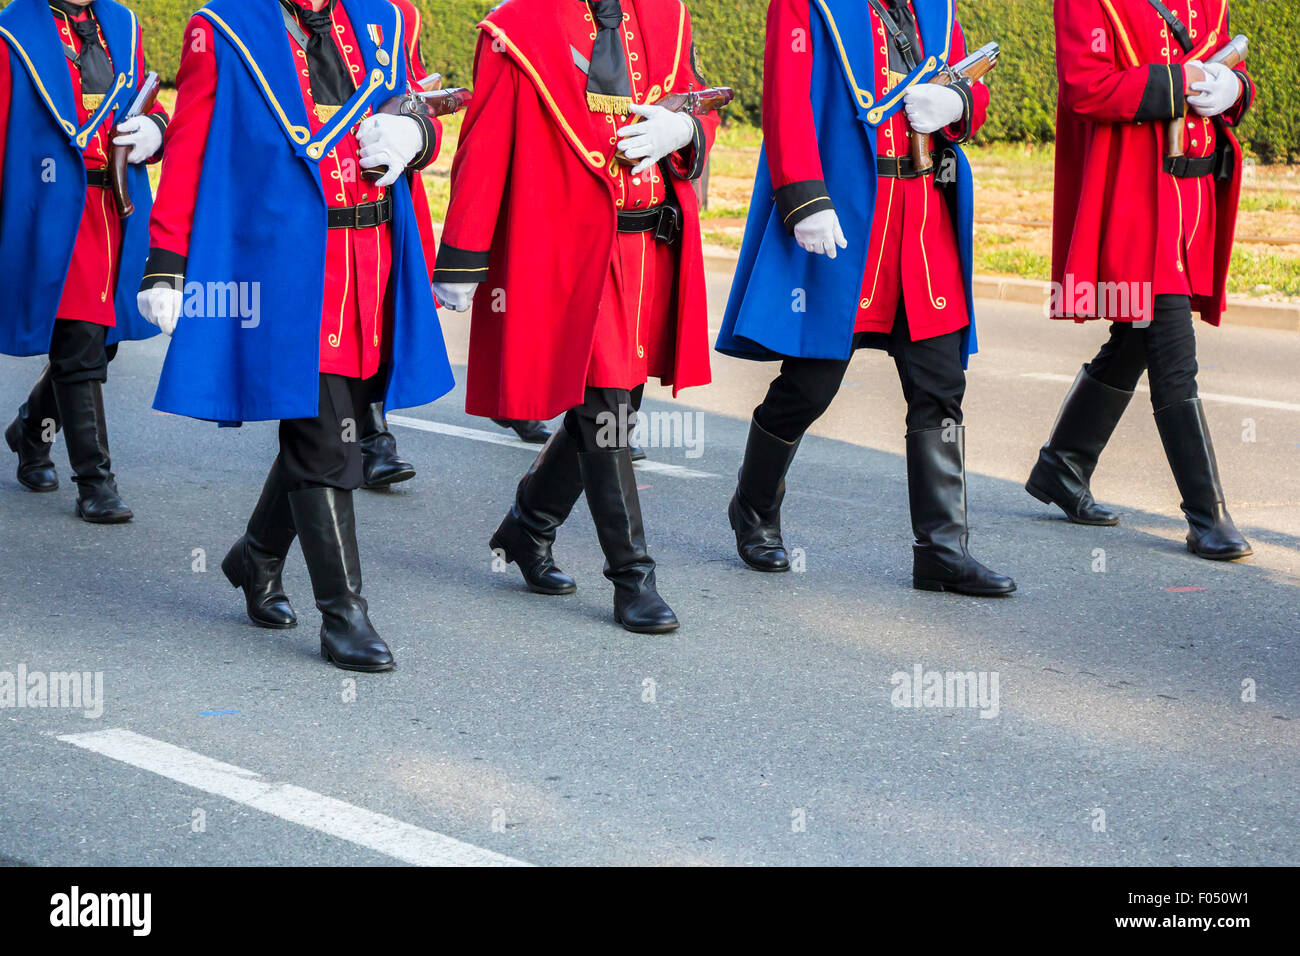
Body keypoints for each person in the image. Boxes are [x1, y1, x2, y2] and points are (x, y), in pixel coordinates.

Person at [137, 0, 454, 670]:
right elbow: (190, 151)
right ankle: (344, 615)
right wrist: (166, 261)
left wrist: (418, 139)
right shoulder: (221, 27)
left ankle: (255, 558)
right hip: (282, 272)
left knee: (331, 420)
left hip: (371, 258)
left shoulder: (386, 18)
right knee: (326, 435)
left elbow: (417, 110)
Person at [433, 0, 718, 633]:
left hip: (654, 245)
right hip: (569, 253)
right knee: (608, 409)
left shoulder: (666, 11)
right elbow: (483, 145)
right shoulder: (518, 27)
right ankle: (633, 578)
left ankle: (527, 526)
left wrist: (687, 132)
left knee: (614, 406)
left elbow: (697, 100)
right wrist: (461, 260)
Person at [716, 0, 1015, 596]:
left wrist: (958, 105)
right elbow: (787, 102)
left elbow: (965, 80)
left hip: (923, 216)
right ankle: (753, 508)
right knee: (811, 384)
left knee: (939, 385)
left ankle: (941, 550)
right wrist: (803, 198)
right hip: (850, 213)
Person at [1026, 0, 1254, 561]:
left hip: (1191, 196)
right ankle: (1207, 515)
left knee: (1136, 335)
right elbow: (1087, 87)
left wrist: (1232, 88)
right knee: (1173, 353)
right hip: (1134, 197)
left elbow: (1223, 65)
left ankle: (1064, 463)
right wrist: (1184, 81)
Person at [1, 0, 167, 522]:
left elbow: (145, 102)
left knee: (103, 343)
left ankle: (33, 428)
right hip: (52, 210)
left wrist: (156, 132)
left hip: (118, 207)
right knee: (80, 343)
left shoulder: (121, 23)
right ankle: (95, 481)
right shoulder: (12, 32)